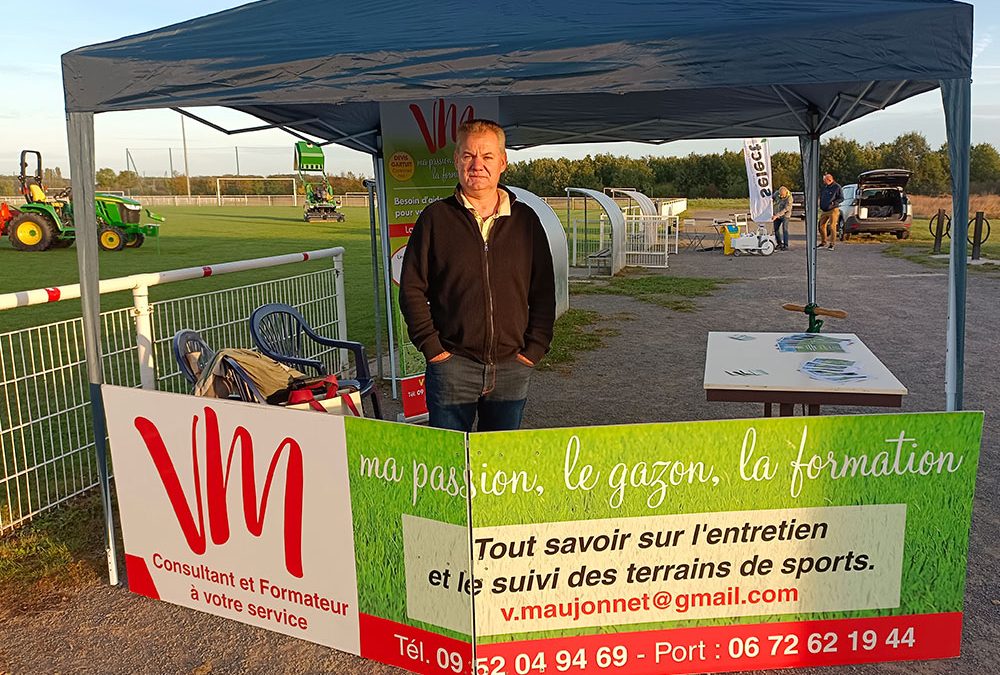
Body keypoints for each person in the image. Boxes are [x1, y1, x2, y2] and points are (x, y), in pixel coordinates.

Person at [399, 119, 556, 432]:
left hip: (513, 367)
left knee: (499, 466)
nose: (477, 165)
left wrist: (533, 349)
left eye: (487, 157)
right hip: (452, 366)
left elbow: (543, 291)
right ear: (457, 160)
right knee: (449, 466)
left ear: (502, 162)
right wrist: (434, 350)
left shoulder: (525, 220)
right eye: (469, 156)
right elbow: (412, 289)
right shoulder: (435, 218)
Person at [818, 173, 843, 250]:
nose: (824, 182)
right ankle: (823, 242)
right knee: (821, 226)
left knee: (832, 226)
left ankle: (832, 244)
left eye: (825, 180)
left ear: (829, 180)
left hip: (833, 209)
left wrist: (834, 203)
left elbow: (841, 198)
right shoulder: (824, 187)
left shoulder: (837, 187)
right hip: (824, 209)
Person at [772, 186, 793, 250]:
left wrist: (777, 215)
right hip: (777, 213)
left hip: (785, 215)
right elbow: (771, 198)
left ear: (786, 193)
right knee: (776, 229)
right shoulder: (776, 193)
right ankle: (779, 244)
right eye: (780, 195)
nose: (781, 197)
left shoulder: (789, 198)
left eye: (783, 195)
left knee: (785, 229)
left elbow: (786, 209)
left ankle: (785, 245)